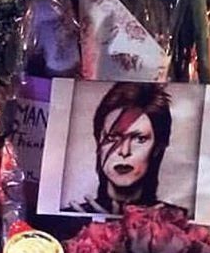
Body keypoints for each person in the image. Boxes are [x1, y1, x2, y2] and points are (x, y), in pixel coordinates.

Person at [66, 83, 172, 214]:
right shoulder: (67, 217)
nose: (124, 151)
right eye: (112, 137)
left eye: (140, 139)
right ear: (98, 143)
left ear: (157, 148)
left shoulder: (179, 220)